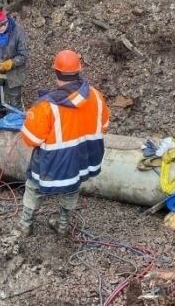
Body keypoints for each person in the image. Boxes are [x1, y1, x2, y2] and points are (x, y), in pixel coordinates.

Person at [17, 50, 110, 237]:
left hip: (51, 163)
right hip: (82, 159)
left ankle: (26, 225)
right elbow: (104, 125)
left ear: (56, 73)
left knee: (34, 186)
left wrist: (30, 120)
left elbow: (31, 139)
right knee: (72, 188)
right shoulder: (96, 96)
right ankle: (62, 225)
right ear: (79, 71)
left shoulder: (46, 105)